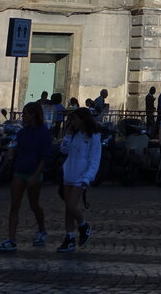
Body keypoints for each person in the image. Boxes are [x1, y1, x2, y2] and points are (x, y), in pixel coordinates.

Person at [0, 102, 54, 252]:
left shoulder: (43, 133)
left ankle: (42, 229)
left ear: (34, 114)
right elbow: (15, 146)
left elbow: (44, 157)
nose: (23, 116)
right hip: (20, 171)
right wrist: (11, 152)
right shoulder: (22, 132)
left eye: (26, 113)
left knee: (34, 205)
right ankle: (12, 239)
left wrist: (35, 175)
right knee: (14, 205)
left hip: (34, 172)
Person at [57, 107, 102, 253]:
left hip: (81, 176)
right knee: (68, 208)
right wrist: (68, 135)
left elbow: (94, 160)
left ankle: (83, 225)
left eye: (74, 119)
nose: (72, 122)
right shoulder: (74, 135)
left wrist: (88, 177)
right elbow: (64, 150)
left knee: (71, 206)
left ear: (83, 120)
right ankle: (69, 237)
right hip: (68, 173)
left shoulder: (93, 137)